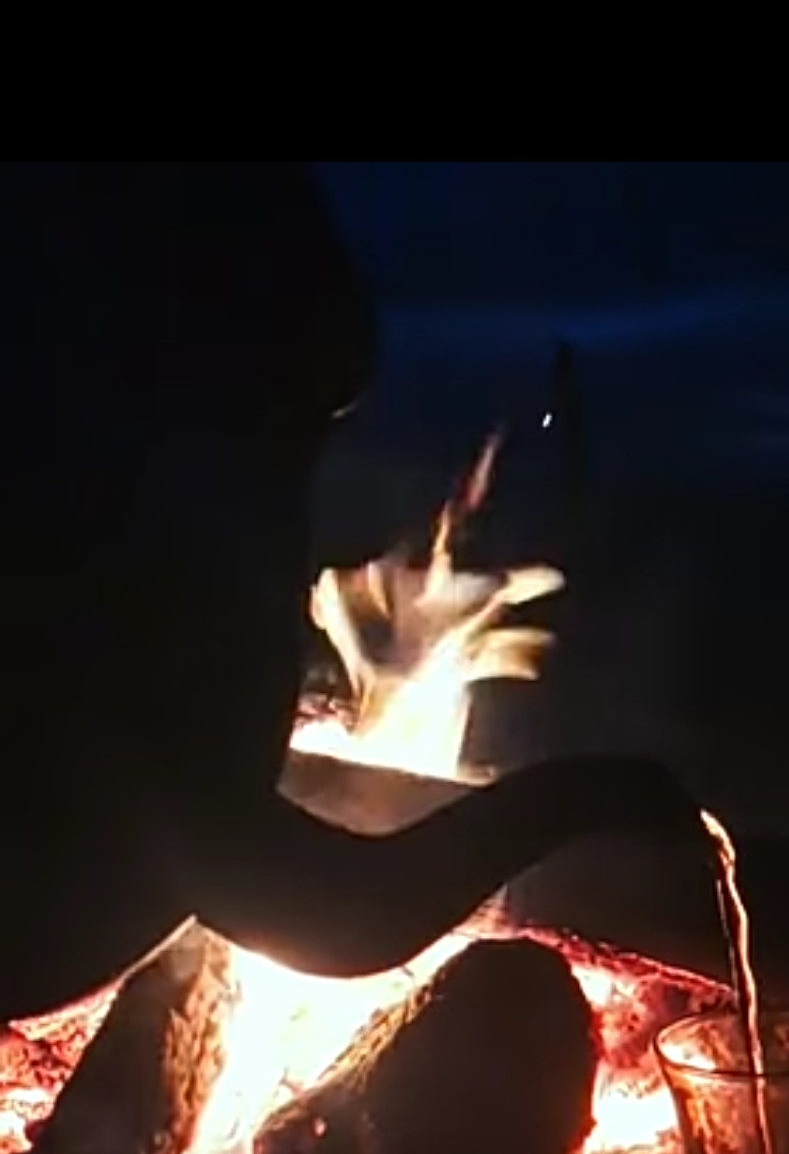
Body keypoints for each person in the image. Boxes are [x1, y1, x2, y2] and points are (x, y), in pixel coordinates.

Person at [0, 162, 714, 1024]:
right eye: (291, 423)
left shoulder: (115, 512)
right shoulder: (121, 579)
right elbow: (327, 911)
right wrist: (583, 799)